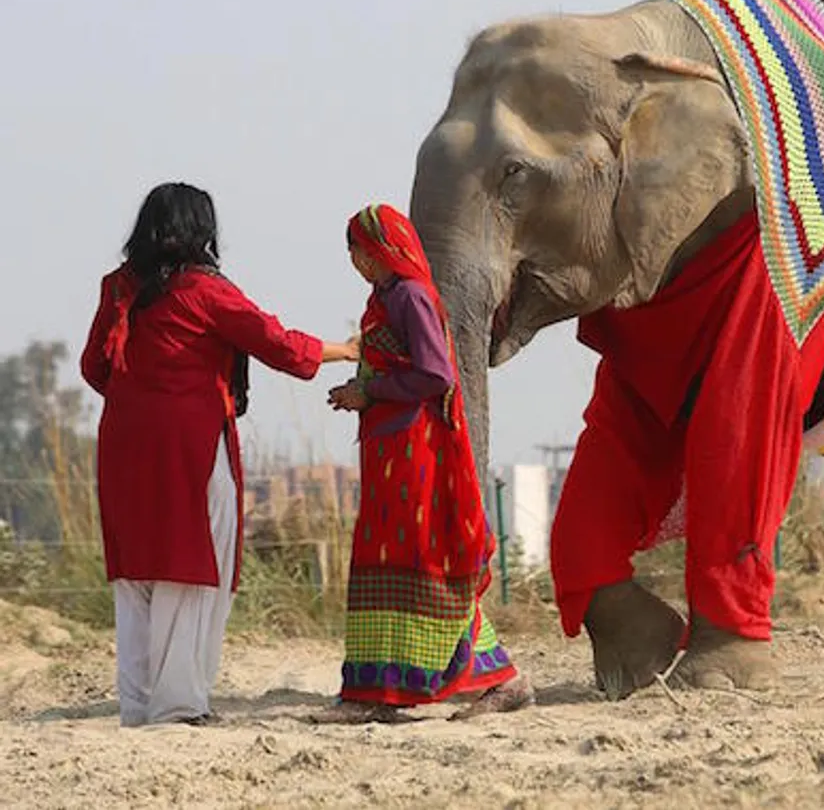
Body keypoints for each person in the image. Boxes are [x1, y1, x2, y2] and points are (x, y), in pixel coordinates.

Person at [80, 182, 359, 727]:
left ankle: (138, 707)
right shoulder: (205, 291)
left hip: (123, 443)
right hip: (190, 443)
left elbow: (95, 367)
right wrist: (343, 351)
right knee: (191, 563)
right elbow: (277, 343)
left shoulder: (117, 287)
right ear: (202, 230)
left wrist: (142, 399)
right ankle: (179, 706)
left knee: (136, 574)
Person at [323, 203, 533, 722]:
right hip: (390, 450)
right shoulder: (386, 296)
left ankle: (494, 679)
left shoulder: (412, 296)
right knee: (392, 560)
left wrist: (369, 391)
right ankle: (378, 692)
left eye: (357, 249)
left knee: (422, 559)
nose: (353, 260)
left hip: (414, 450)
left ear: (380, 249)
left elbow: (436, 374)